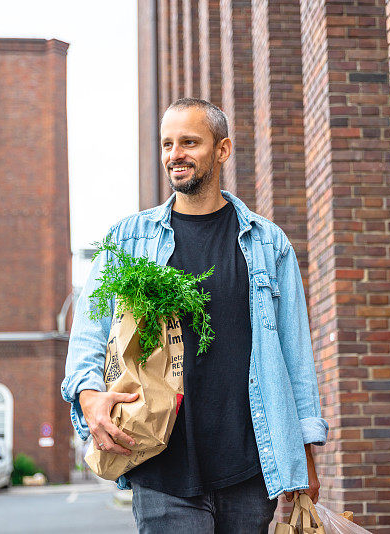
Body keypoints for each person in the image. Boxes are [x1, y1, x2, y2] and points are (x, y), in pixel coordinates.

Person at [61, 97, 328, 533]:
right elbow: (89, 331)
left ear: (221, 150)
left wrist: (303, 461)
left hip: (249, 466)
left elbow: (295, 359)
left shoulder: (268, 244)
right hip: (160, 461)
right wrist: (90, 398)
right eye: (167, 144)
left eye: (189, 142)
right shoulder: (129, 239)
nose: (174, 155)